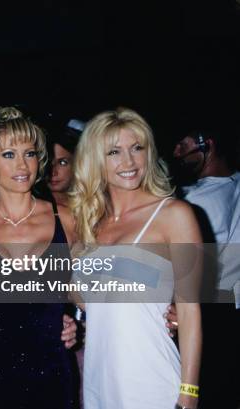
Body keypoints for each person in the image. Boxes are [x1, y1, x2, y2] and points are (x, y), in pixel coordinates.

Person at [70, 107, 202, 409]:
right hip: (98, 383)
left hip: (152, 382)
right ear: (95, 160)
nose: (129, 162)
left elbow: (191, 314)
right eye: (114, 152)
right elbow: (84, 300)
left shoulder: (173, 215)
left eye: (137, 148)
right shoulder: (89, 222)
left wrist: (189, 394)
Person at [0, 107, 79, 409]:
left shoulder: (65, 219)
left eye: (29, 153)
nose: (23, 164)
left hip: (52, 374)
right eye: (9, 154)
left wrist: (81, 326)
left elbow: (92, 291)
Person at [172, 129, 240, 408]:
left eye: (181, 144)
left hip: (212, 312)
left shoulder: (192, 202)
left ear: (206, 145)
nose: (176, 152)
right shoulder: (207, 192)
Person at [45, 119, 83, 208]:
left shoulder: (93, 206)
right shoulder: (33, 208)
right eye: (48, 162)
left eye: (62, 162)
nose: (53, 172)